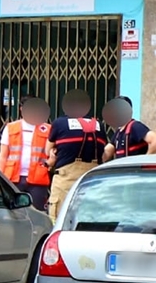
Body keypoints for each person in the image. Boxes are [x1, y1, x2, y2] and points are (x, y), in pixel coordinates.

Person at [45, 89, 108, 219]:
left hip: (65, 179)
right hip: (92, 180)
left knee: (60, 218)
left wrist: (52, 157)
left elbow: (48, 150)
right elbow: (104, 154)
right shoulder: (98, 125)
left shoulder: (59, 123)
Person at [0, 96, 51, 211]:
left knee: (37, 213)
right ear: (21, 109)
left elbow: (51, 154)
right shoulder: (10, 128)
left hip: (38, 180)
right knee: (12, 213)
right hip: (13, 179)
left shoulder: (47, 129)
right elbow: (3, 156)